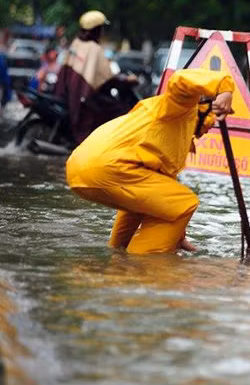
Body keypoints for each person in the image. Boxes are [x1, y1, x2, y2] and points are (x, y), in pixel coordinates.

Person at [65, 68, 235, 254]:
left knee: (149, 205)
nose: (213, 125)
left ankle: (118, 254)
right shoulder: (181, 106)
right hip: (106, 166)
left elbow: (161, 196)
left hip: (82, 166)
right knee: (186, 202)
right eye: (213, 117)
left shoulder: (175, 136)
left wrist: (177, 236)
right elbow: (179, 79)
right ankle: (143, 266)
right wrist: (224, 88)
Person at [55, 10, 138, 145]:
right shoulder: (94, 49)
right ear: (96, 29)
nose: (103, 32)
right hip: (85, 99)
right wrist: (127, 80)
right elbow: (108, 79)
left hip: (72, 95)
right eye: (101, 28)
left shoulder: (77, 43)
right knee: (118, 110)